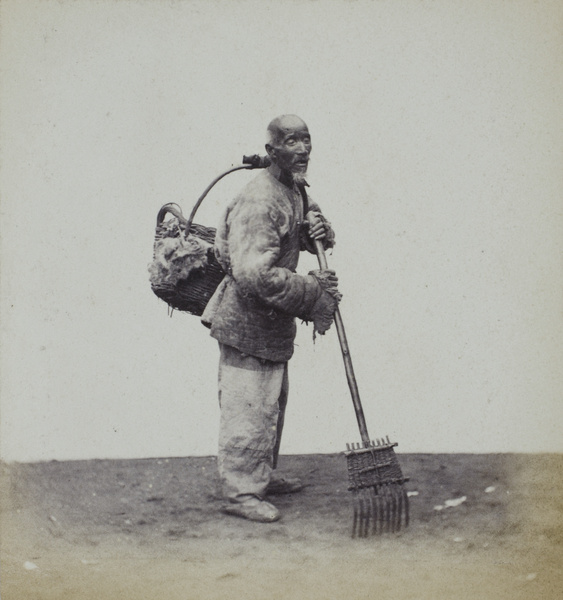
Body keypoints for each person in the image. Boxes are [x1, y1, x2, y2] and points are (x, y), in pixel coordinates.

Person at [201, 115, 341, 522]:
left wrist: (318, 230)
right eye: (291, 141)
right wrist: (313, 291)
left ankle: (259, 475)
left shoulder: (294, 188)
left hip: (272, 322)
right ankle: (241, 493)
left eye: (307, 139)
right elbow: (252, 274)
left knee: (270, 403)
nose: (303, 149)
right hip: (246, 322)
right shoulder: (259, 200)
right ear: (271, 151)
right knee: (248, 407)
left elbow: (303, 235)